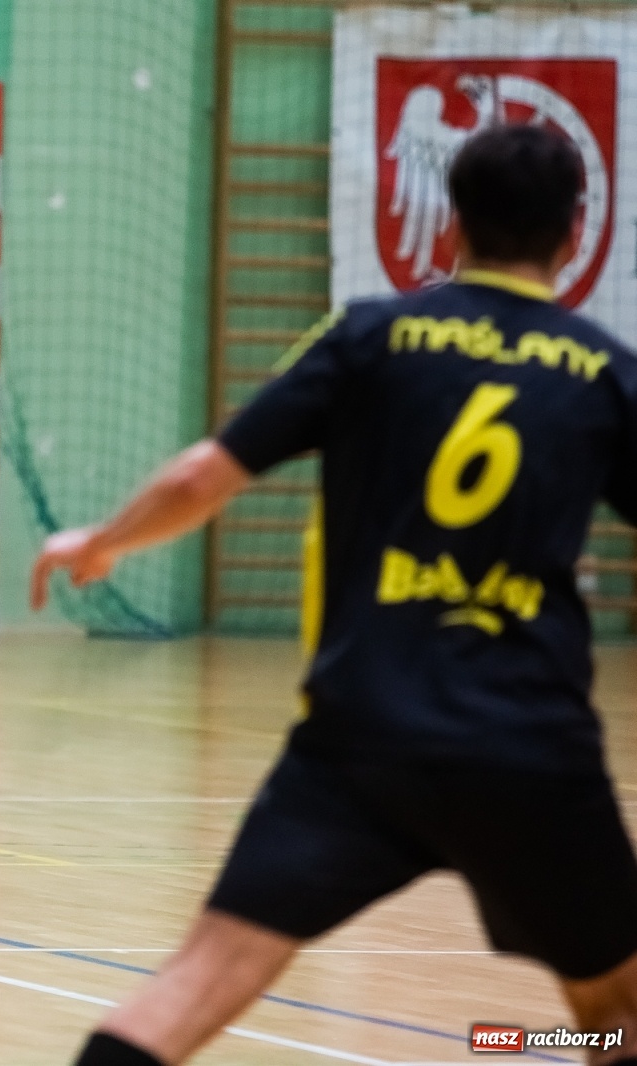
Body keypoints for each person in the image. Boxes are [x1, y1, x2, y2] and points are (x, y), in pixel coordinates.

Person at [33, 123, 637, 1066]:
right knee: (614, 1013)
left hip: (361, 739)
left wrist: (103, 540)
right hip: (531, 748)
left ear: (452, 225)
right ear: (574, 233)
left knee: (192, 985)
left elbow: (205, 476)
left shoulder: (372, 336)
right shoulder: (605, 371)